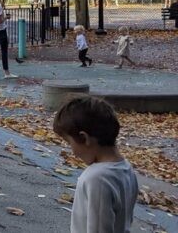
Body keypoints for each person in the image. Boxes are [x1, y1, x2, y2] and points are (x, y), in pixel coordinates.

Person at [52, 96, 138, 233]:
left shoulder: (97, 179)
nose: (72, 152)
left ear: (84, 138)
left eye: (69, 143)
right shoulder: (126, 169)